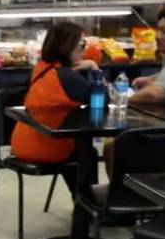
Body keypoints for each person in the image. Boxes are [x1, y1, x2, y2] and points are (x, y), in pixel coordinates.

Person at [11, 22, 99, 194]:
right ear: (68, 47)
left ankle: (84, 207)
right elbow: (101, 100)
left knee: (82, 148)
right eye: (82, 45)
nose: (84, 50)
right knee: (86, 152)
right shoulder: (66, 77)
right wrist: (94, 68)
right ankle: (87, 207)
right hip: (46, 146)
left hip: (23, 141)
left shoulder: (41, 68)